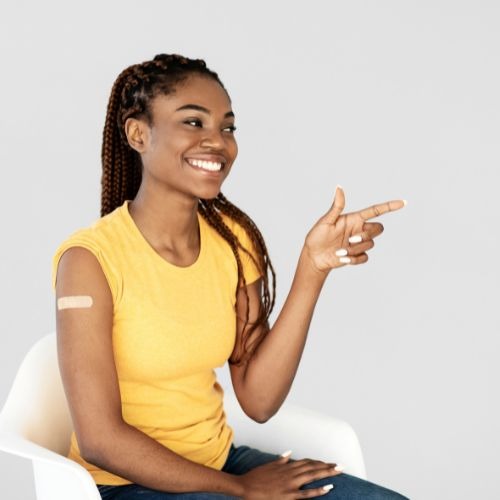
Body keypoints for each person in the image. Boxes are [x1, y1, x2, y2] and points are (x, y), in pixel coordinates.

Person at [51, 53, 410, 499]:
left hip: (219, 464)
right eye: (193, 123)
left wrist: (312, 269)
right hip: (125, 484)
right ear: (138, 134)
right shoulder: (89, 260)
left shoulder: (234, 242)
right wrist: (238, 488)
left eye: (227, 127)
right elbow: (100, 439)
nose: (217, 142)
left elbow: (258, 402)